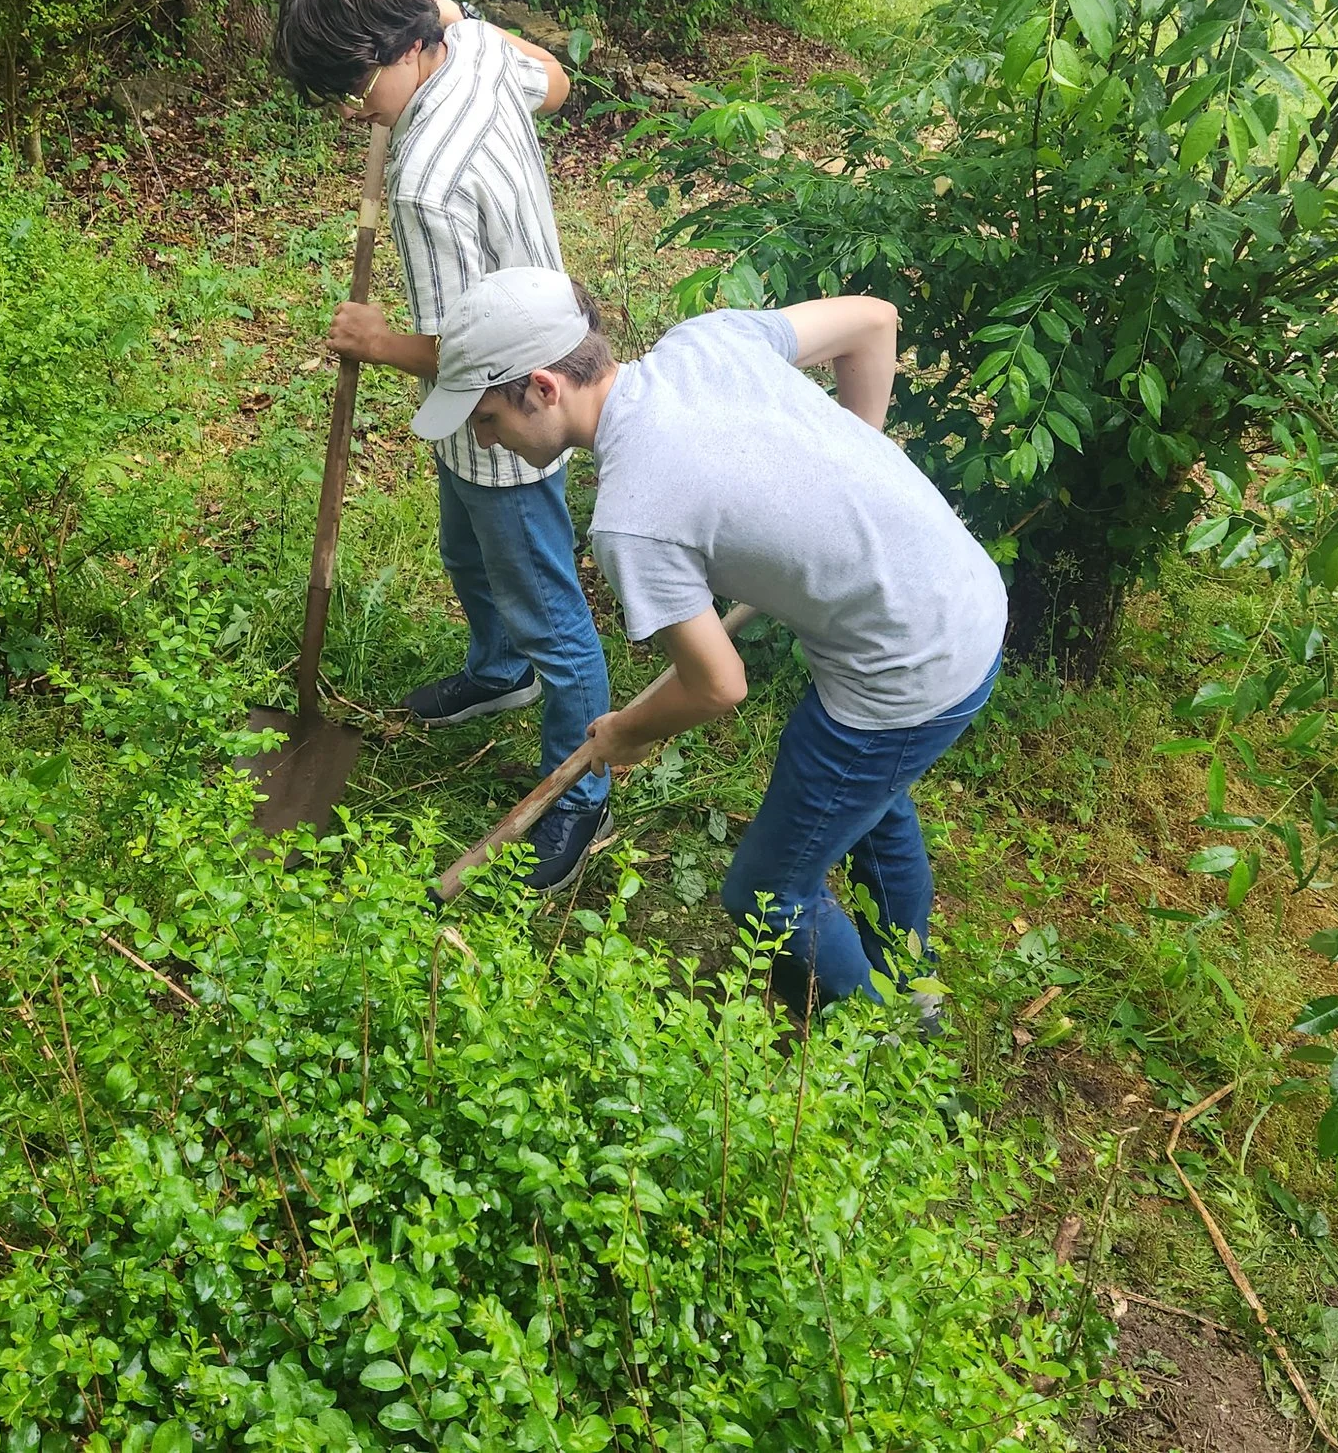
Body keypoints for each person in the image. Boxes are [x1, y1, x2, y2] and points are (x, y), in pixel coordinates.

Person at [413, 266, 1009, 1010]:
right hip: (966, 595)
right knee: (870, 802)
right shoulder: (709, 340)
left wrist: (627, 730)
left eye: (487, 417)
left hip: (909, 668)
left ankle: (880, 1035)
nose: (482, 435)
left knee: (766, 889)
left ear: (542, 386)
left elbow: (718, 684)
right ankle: (911, 985)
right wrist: (852, 469)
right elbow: (874, 322)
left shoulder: (633, 515)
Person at [271, 0, 612, 886]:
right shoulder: (470, 46)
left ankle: (580, 791)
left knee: (553, 612)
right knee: (465, 552)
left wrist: (377, 341)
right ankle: (498, 672)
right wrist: (453, 9)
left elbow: (472, 357)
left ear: (395, 43)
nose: (353, 113)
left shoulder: (425, 182)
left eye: (354, 88)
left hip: (509, 410)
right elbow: (558, 82)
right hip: (543, 355)